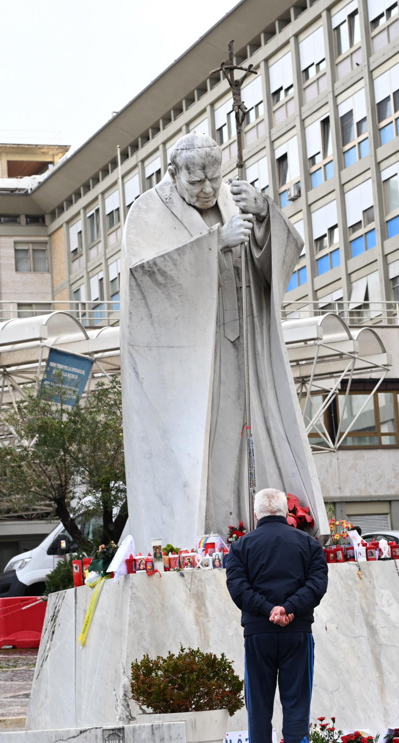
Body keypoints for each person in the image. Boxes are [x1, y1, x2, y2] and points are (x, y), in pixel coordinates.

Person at [121, 132, 327, 551]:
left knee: (257, 430)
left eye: (214, 177)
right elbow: (146, 278)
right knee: (207, 446)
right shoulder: (146, 212)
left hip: (246, 346)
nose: (208, 189)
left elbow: (285, 258)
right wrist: (213, 246)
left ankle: (265, 526)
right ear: (173, 174)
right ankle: (207, 533)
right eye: (196, 181)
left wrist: (266, 216)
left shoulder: (234, 199)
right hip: (193, 360)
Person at [225, 488, 328, 743]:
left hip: (258, 633)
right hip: (297, 632)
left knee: (258, 706)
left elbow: (238, 588)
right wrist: (290, 608)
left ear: (256, 514)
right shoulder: (308, 544)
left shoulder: (241, 547)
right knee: (297, 704)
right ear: (286, 512)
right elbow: (317, 583)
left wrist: (269, 610)